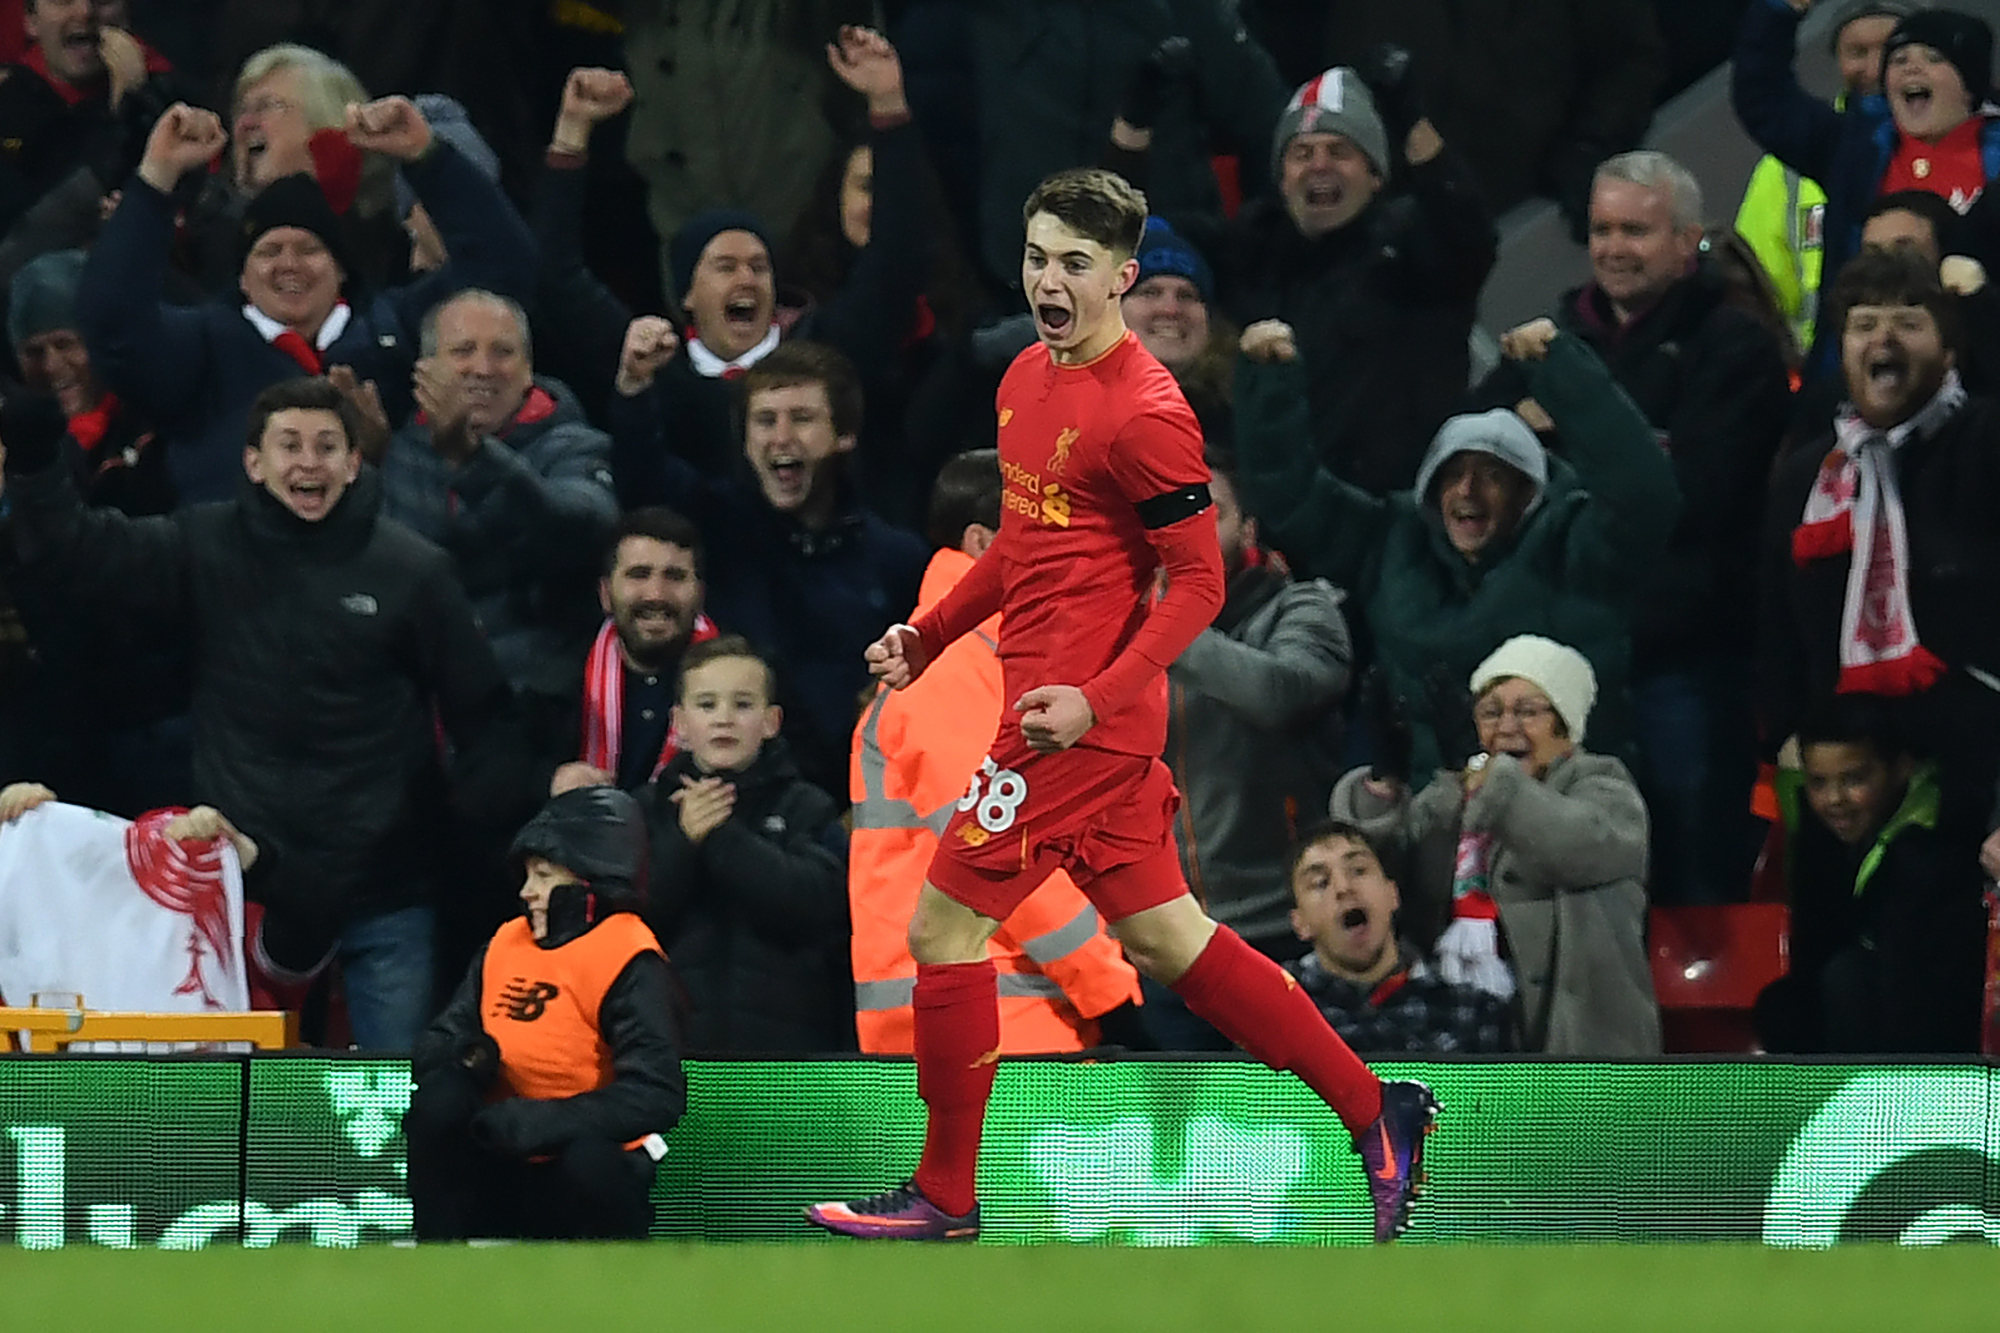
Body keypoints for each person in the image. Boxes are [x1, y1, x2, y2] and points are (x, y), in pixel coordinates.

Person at [804, 167, 1437, 1247]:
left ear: (1123, 277)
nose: (1049, 282)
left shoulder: (1146, 413)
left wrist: (1093, 700)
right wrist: (932, 632)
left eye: (1075, 266)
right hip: (1053, 713)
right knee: (1173, 941)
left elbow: (1194, 583)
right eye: (1036, 258)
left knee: (942, 924)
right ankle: (1373, 1107)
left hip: (1075, 728)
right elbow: (1020, 544)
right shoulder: (1021, 380)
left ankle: (944, 1194)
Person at [1, 377, 527, 1051]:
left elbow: (486, 716)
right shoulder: (206, 544)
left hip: (387, 893)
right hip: (245, 894)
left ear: (352, 461)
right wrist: (37, 458)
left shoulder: (414, 570)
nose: (308, 462)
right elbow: (81, 552)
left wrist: (479, 816)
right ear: (254, 461)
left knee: (390, 1116)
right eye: (289, 445)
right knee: (247, 1116)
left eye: (325, 445)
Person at [1471, 151, 1792, 903]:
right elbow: (1475, 459)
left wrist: (1558, 430)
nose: (1614, 247)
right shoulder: (1545, 341)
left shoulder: (1732, 345)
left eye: (1637, 231)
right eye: (1603, 229)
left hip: (1685, 657)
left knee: (1688, 861)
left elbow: (1690, 498)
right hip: (1565, 663)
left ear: (1687, 242)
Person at [1237, 315, 1678, 777]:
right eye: (1452, 473)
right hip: (1439, 817)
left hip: (1570, 810)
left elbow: (1644, 494)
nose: (1467, 491)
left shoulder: (1578, 546)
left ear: (1528, 493)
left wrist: (1560, 370)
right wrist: (1269, 383)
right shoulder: (1391, 538)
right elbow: (1291, 495)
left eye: (1492, 476)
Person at [75, 95, 536, 505]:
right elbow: (112, 322)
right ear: (243, 277)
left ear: (340, 269)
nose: (289, 265)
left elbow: (505, 270)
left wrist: (427, 158)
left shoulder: (396, 330)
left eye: (310, 249)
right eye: (269, 251)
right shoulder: (200, 346)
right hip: (237, 580)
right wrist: (157, 178)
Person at [849, 449, 1143, 1055]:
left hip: (1003, 1015)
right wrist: (1109, 986)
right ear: (985, 544)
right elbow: (999, 850)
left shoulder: (986, 659)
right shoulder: (951, 668)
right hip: (991, 1026)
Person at [1761, 245, 2000, 873]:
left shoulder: (1981, 441)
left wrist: (1979, 305)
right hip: (1840, 787)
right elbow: (1775, 616)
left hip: (1969, 775)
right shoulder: (1811, 476)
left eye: (1909, 323)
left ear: (1950, 352)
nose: (1883, 338)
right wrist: (1787, 729)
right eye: (1864, 325)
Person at [609, 333, 927, 803]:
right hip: (726, 797)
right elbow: (643, 481)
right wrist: (634, 388)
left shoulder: (899, 560)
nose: (780, 437)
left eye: (801, 419)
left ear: (844, 435)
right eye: (764, 420)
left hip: (855, 799)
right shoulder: (715, 523)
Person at [1331, 635, 1662, 1056]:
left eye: (1527, 711)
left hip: (1579, 1051)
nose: (1506, 727)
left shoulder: (1602, 786)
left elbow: (1579, 846)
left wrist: (1486, 774)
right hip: (1460, 1039)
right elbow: (1381, 872)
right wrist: (1383, 782)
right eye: (1490, 712)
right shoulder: (1454, 795)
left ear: (1567, 725)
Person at [1205, 54, 1497, 496]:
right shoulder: (1252, 254)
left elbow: (1467, 232)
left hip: (1399, 515)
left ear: (1375, 176)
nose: (1319, 165)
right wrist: (1133, 128)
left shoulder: (1417, 249)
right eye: (1302, 153)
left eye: (1340, 151)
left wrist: (1409, 118)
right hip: (1283, 522)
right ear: (1282, 179)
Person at [405, 785, 685, 1242]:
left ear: (589, 880)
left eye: (543, 876)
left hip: (577, 1165)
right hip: (496, 1148)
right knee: (440, 1103)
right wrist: (471, 1057)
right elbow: (434, 1044)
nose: (526, 892)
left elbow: (655, 1093)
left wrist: (541, 1123)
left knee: (589, 1160)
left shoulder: (629, 956)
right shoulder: (505, 943)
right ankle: (439, 1258)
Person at [1734, 1, 2000, 367]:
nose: (1910, 68)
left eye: (1932, 58)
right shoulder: (1854, 148)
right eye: (1901, 59)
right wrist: (1778, 12)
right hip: (1866, 369)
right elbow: (1763, 96)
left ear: (1969, 82)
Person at [377, 288, 616, 693]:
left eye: (503, 352)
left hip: (531, 700)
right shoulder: (402, 452)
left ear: (528, 368)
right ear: (427, 370)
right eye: (463, 350)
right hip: (421, 701)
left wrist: (474, 459)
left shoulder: (575, 444)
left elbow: (580, 529)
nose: (483, 368)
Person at [1167, 442, 1350, 961]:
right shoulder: (1116, 624)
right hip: (1157, 932)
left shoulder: (1301, 606)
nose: (1186, 530)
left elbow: (1281, 695)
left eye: (1209, 511)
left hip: (1279, 921)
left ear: (1247, 531)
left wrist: (1166, 627)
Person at [637, 634, 853, 1054]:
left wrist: (721, 836)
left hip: (787, 1058)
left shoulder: (807, 805)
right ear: (679, 723)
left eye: (742, 704)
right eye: (706, 704)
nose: (724, 719)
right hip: (671, 1055)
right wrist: (683, 842)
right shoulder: (645, 809)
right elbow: (631, 917)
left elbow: (819, 906)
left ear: (772, 722)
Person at [1755, 693, 1985, 1053]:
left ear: (1901, 768)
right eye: (1818, 782)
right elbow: (1811, 954)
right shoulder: (1819, 838)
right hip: (1868, 1024)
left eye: (1855, 779)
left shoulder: (1934, 846)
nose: (1834, 799)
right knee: (1785, 1006)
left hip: (1932, 1047)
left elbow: (1921, 997)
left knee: (1848, 977)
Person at [1735, 0, 1913, 353]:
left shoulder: (1977, 139)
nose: (1876, 67)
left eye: (1891, 49)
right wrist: (1778, 12)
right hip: (1846, 363)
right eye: (1857, 52)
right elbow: (1762, 94)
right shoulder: (1829, 148)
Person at [1283, 820, 1513, 1055]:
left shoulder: (1472, 1012)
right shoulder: (1275, 1008)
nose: (1343, 887)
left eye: (1359, 870)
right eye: (1320, 883)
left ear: (1392, 894)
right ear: (1300, 923)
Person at [536, 508, 718, 799]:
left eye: (675, 577)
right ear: (605, 594)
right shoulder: (555, 679)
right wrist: (552, 781)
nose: (656, 594)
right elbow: (491, 777)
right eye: (638, 575)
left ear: (700, 594)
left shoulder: (748, 677)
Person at [0, 0, 177, 234]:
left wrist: (135, 102)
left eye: (103, 0)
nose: (85, 11)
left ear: (126, 15)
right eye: (63, 0)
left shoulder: (169, 109)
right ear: (31, 20)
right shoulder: (7, 101)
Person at [1123, 216, 1236, 405]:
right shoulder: (1073, 410)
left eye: (1186, 296)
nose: (1170, 309)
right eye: (1150, 293)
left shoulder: (1240, 410)